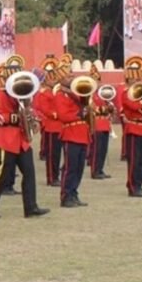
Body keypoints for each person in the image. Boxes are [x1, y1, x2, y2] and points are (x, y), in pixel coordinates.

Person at [0, 57, 49, 220]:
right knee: (2, 174)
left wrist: (32, 117)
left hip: (21, 139)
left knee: (29, 173)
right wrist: (15, 117)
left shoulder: (23, 95)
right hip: (7, 138)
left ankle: (31, 207)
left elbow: (29, 110)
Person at [55, 74, 91, 208]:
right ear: (61, 79)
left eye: (72, 76)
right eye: (67, 77)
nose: (71, 79)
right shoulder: (60, 95)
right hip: (71, 133)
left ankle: (74, 193)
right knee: (70, 168)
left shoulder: (76, 94)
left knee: (79, 168)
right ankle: (66, 196)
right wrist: (79, 115)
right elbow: (63, 115)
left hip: (82, 132)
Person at [120, 56, 142, 197]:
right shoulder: (125, 93)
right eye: (133, 79)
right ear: (128, 80)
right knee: (133, 159)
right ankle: (133, 187)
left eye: (137, 79)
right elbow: (132, 106)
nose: (136, 82)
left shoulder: (141, 95)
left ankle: (139, 184)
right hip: (133, 128)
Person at [33, 58, 62, 187]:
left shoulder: (54, 91)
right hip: (51, 126)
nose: (54, 81)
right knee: (51, 155)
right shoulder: (44, 93)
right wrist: (58, 114)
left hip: (59, 126)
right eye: (52, 79)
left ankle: (56, 176)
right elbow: (45, 110)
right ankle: (51, 178)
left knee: (57, 154)